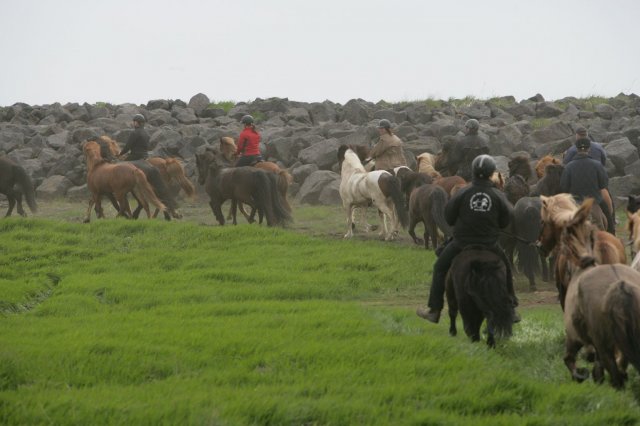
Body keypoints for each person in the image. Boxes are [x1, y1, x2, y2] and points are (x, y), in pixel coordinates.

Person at [417, 154, 518, 323]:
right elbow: (505, 220)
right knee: (506, 268)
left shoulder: (462, 192)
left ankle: (434, 310)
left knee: (440, 267)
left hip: (461, 243)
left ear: (473, 171)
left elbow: (448, 217)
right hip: (489, 244)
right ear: (490, 172)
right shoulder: (498, 195)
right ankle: (512, 307)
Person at [560, 136, 615, 234]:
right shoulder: (597, 165)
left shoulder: (568, 167)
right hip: (594, 203)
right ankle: (612, 233)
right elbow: (603, 185)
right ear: (589, 149)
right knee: (608, 216)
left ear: (577, 149)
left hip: (575, 204)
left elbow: (563, 188)